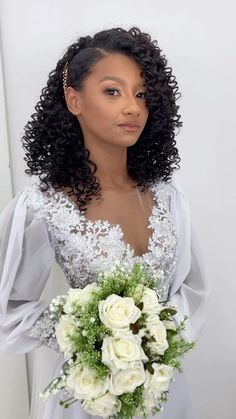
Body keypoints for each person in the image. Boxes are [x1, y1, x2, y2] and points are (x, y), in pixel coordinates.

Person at [0, 26, 210, 419]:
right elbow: (9, 307)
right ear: (74, 99)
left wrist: (154, 335)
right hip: (88, 396)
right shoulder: (42, 206)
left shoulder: (168, 198)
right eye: (112, 91)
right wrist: (88, 333)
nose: (132, 107)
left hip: (162, 389)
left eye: (142, 94)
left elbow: (193, 290)